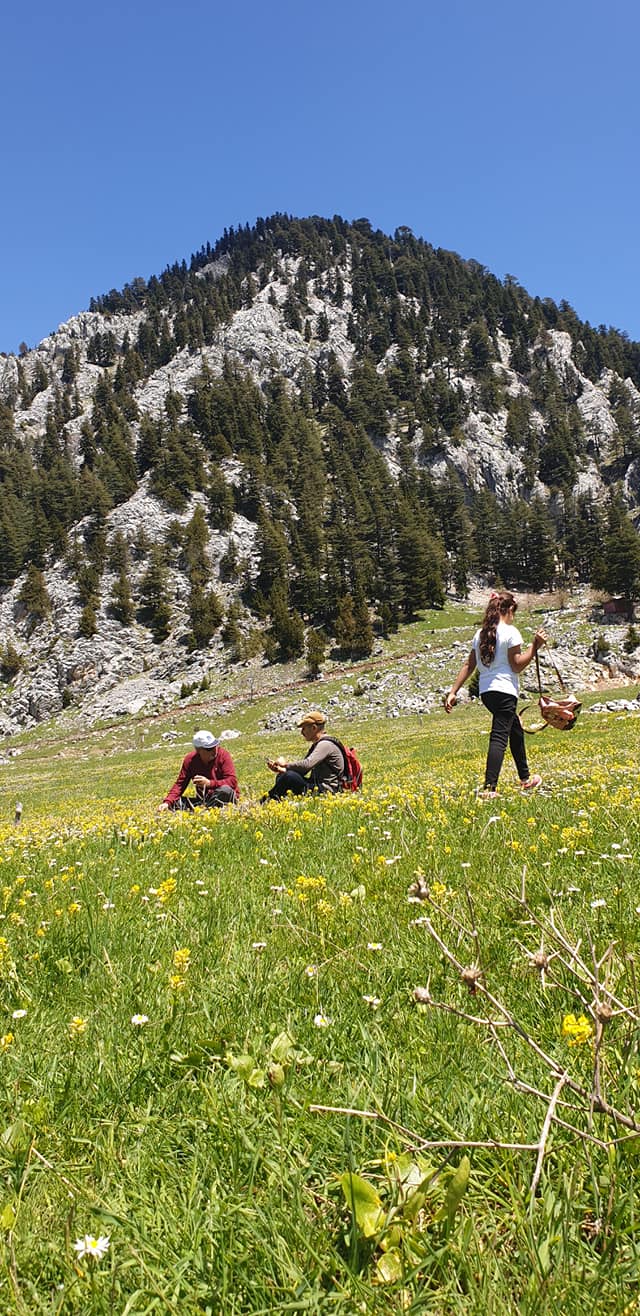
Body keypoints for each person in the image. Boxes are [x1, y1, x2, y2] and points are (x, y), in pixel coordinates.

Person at [444, 591, 547, 798]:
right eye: (513, 612)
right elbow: (517, 665)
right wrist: (535, 646)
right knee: (499, 736)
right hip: (505, 690)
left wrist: (453, 691)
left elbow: (469, 665)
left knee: (515, 730)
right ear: (508, 610)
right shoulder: (510, 632)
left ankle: (526, 779)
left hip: (487, 692)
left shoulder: (480, 634)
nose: (513, 617)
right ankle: (489, 788)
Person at [262, 711, 345, 801]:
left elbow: (307, 765)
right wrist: (280, 769)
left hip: (328, 789)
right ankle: (276, 800)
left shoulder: (325, 744)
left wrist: (285, 765)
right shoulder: (318, 744)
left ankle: (266, 801)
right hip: (317, 785)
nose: (302, 732)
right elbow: (303, 771)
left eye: (304, 728)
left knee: (288, 776)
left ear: (314, 728)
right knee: (283, 775)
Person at [158, 730, 239, 811]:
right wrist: (167, 802)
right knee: (175, 802)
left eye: (215, 746)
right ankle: (205, 809)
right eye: (209, 749)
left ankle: (203, 811)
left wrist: (209, 783)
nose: (214, 750)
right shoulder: (190, 760)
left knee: (225, 790)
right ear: (198, 750)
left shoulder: (223, 755)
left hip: (223, 797)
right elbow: (180, 784)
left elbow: (232, 781)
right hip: (204, 800)